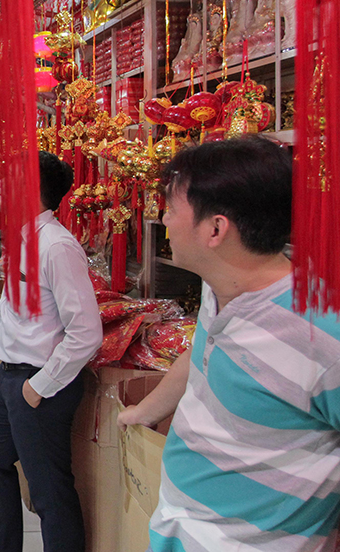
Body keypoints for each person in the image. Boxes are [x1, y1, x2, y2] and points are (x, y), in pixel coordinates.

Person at [117, 137, 340, 552]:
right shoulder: (219, 289)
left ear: (216, 229)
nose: (163, 220)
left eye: (171, 209)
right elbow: (200, 356)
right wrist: (142, 412)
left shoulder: (321, 334)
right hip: (179, 528)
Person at [0, 151, 102, 552]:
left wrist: (39, 387)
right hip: (12, 378)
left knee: (49, 490)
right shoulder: (24, 238)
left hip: (39, 384)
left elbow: (86, 332)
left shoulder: (56, 246)